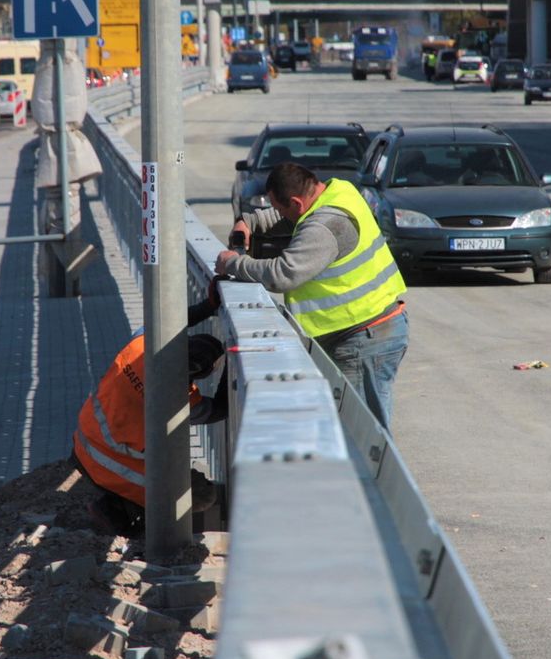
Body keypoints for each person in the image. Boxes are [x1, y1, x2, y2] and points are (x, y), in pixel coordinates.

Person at [216, 162, 408, 429]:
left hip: (364, 338)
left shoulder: (324, 228)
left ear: (296, 202)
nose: (280, 213)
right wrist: (251, 221)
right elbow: (288, 217)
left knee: (360, 436)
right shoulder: (340, 190)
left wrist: (232, 263)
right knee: (351, 431)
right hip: (367, 331)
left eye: (281, 207)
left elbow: (283, 273)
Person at [72, 327, 228, 535]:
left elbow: (165, 315)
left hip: (83, 441)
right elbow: (220, 409)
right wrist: (232, 363)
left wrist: (206, 307)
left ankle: (122, 501)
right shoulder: (179, 401)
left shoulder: (141, 345)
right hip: (108, 463)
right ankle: (119, 512)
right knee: (202, 494)